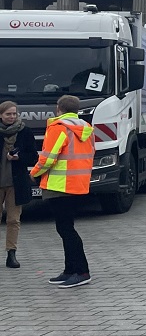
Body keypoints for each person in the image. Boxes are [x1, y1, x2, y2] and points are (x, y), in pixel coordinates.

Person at [29, 94, 95, 288]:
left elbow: (48, 157)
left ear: (59, 109)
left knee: (66, 229)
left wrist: (34, 173)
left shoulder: (58, 128)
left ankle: (81, 271)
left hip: (59, 185)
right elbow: (91, 153)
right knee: (66, 227)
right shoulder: (86, 129)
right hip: (78, 183)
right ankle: (69, 270)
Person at [1, 100, 38, 268]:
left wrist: (19, 157)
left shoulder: (25, 132)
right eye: (8, 114)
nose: (11, 117)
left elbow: (33, 157)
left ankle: (11, 254)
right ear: (1, 115)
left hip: (16, 183)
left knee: (13, 220)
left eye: (14, 114)